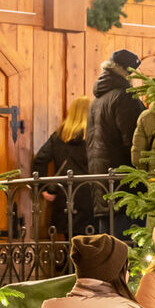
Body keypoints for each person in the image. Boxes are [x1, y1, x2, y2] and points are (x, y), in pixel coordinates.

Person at [87, 49, 145, 233]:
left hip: (103, 185)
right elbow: (136, 142)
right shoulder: (125, 96)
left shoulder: (97, 101)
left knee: (110, 251)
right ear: (128, 71)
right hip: (126, 188)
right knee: (129, 251)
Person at [32, 96, 98, 236]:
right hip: (92, 194)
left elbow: (41, 159)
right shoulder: (96, 136)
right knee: (94, 241)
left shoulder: (59, 136)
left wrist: (43, 188)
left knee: (70, 241)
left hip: (66, 193)